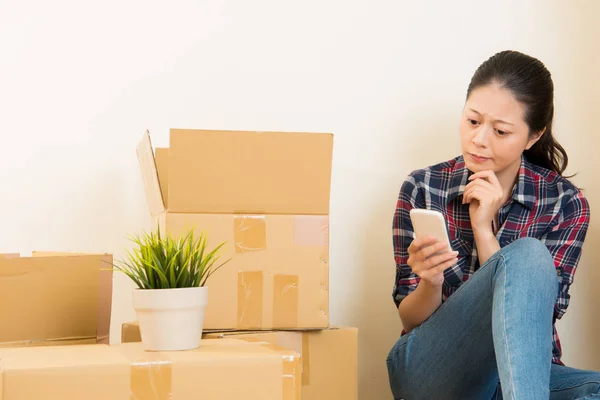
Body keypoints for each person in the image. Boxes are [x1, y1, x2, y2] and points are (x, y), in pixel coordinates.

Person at [386, 50, 598, 400]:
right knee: (529, 253)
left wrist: (485, 231)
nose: (479, 140)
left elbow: (537, 321)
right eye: (472, 121)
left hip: (520, 377)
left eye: (500, 131)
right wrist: (430, 282)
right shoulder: (423, 187)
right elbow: (409, 318)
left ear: (533, 137)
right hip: (433, 375)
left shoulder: (565, 203)